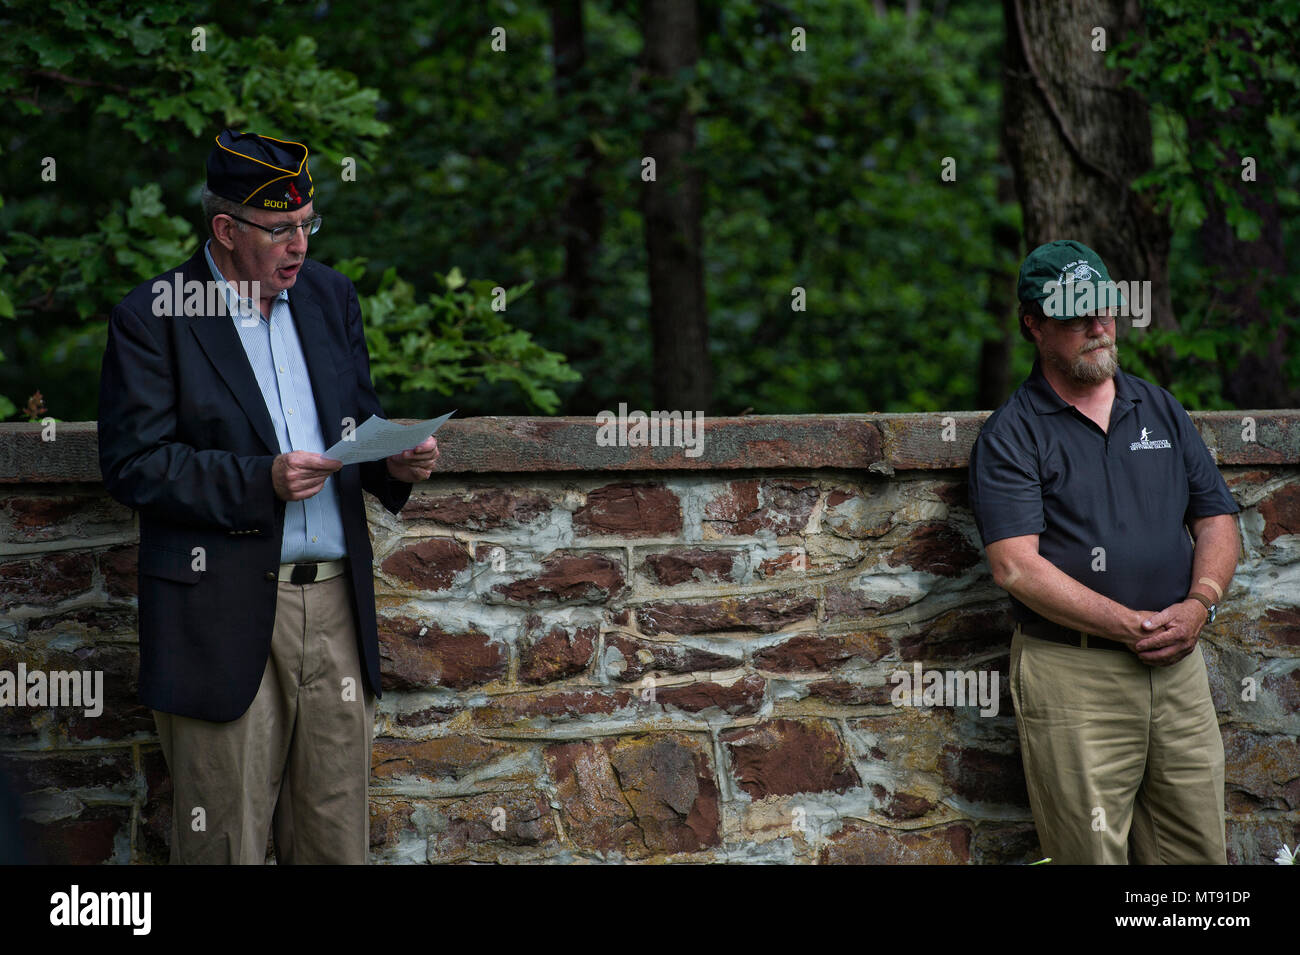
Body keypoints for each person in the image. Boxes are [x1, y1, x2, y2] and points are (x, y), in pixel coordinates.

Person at [97, 129, 440, 864]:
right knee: (226, 841)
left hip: (337, 611)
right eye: (280, 228)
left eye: (307, 224)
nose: (299, 245)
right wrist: (262, 480)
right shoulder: (154, 312)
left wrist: (394, 463)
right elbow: (134, 464)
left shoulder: (329, 297)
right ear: (225, 229)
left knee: (334, 841)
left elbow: (352, 423)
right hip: (220, 613)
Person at [968, 239, 1240, 864]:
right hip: (1075, 676)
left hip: (1178, 668)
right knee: (1092, 856)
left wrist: (1199, 605)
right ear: (1033, 325)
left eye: (1105, 309)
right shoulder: (1013, 433)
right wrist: (1133, 626)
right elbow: (1014, 565)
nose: (1098, 327)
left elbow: (1217, 518)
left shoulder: (1161, 408)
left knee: (1197, 860)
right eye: (1074, 315)